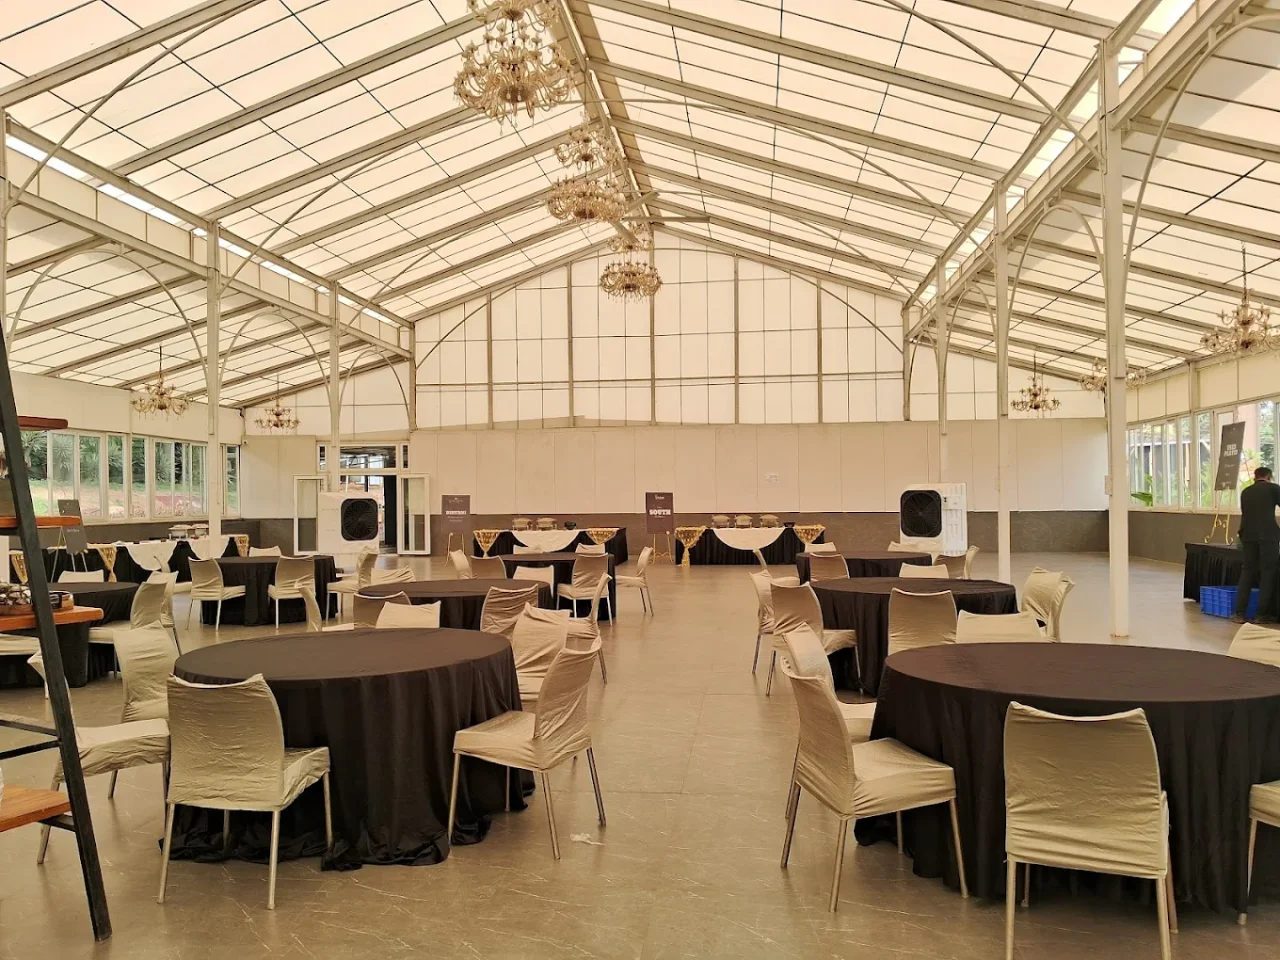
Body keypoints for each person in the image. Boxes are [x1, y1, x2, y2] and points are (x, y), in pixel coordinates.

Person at [1234, 466, 1280, 624]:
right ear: (1269, 476)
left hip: (1247, 536)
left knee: (1247, 572)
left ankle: (1239, 613)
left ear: (1255, 477)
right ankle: (1261, 614)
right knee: (1267, 572)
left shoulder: (1245, 492)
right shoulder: (1273, 488)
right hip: (1268, 536)